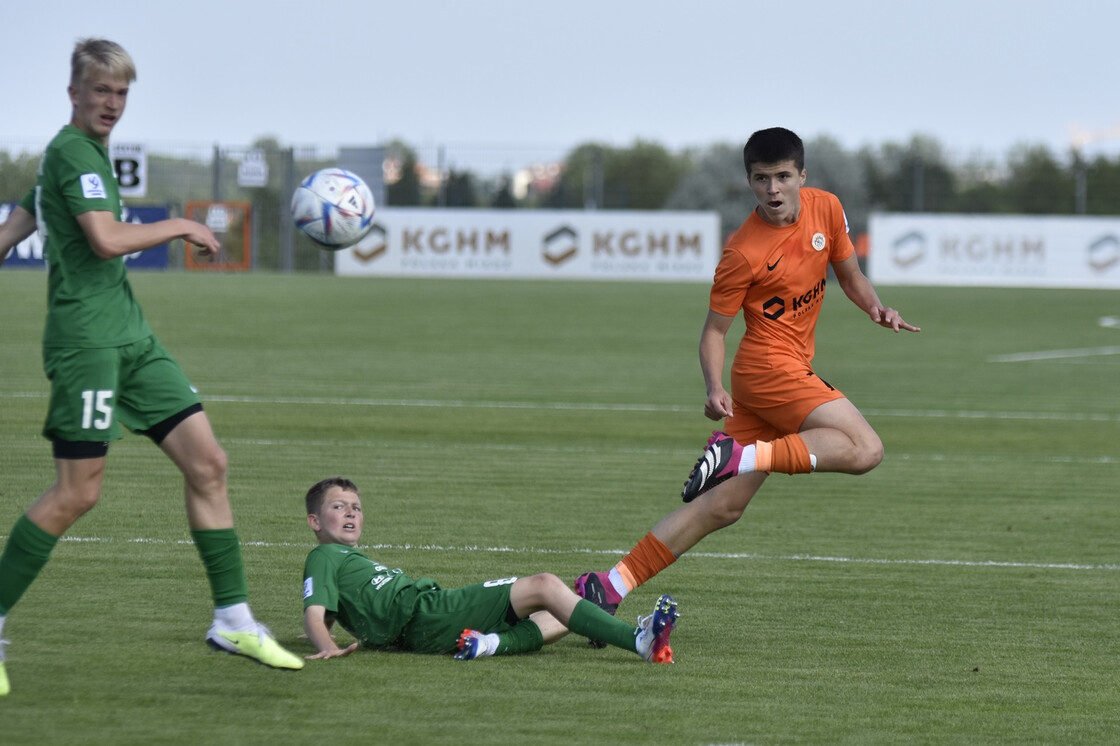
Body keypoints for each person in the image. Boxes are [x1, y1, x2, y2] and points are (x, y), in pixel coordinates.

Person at [0, 38, 302, 697]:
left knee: (209, 463)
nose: (112, 103)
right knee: (78, 492)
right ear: (73, 91)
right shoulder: (71, 150)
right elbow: (106, 237)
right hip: (87, 342)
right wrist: (178, 225)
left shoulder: (80, 155)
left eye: (121, 92)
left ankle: (232, 619)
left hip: (132, 338)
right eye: (100, 90)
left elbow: (18, 222)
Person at [574, 127, 920, 635]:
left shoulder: (827, 209)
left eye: (783, 177)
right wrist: (714, 387)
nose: (774, 189)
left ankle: (610, 587)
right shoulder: (742, 252)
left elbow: (849, 274)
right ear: (749, 183)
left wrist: (876, 307)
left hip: (780, 374)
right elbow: (714, 332)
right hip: (767, 369)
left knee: (723, 506)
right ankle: (741, 455)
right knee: (866, 449)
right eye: (762, 180)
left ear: (802, 175)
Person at [301, 477, 679, 663]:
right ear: (314, 522)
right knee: (545, 586)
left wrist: (329, 633)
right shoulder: (324, 557)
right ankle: (638, 641)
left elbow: (331, 609)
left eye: (356, 506)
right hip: (427, 612)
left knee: (569, 609)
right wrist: (327, 648)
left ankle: (489, 643)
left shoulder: (349, 562)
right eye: (338, 506)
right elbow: (314, 615)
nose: (351, 511)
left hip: (423, 623)